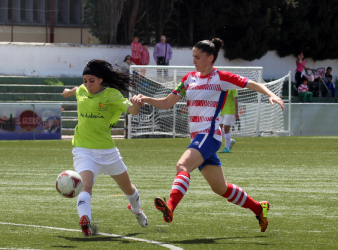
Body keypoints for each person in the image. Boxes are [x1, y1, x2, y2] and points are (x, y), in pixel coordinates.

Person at [131, 38, 284, 233]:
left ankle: (170, 206)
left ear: (210, 57)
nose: (194, 61)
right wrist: (145, 99)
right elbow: (168, 103)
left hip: (209, 135)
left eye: (197, 57)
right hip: (198, 138)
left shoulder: (220, 77)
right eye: (193, 57)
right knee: (220, 188)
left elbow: (251, 83)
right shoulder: (188, 79)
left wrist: (271, 94)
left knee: (182, 165)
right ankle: (258, 208)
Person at [61, 59, 148, 237]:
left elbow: (132, 110)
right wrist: (68, 92)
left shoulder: (112, 95)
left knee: (128, 189)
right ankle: (85, 222)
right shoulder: (82, 90)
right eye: (85, 81)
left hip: (108, 152)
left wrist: (137, 103)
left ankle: (137, 210)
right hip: (83, 150)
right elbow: (76, 90)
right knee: (85, 186)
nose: (87, 84)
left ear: (101, 79)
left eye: (91, 81)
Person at [219, 89, 239, 153]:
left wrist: (236, 112)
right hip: (221, 111)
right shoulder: (221, 86)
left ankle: (227, 148)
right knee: (217, 129)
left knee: (226, 129)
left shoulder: (233, 88)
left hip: (230, 111)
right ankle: (230, 141)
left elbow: (235, 100)